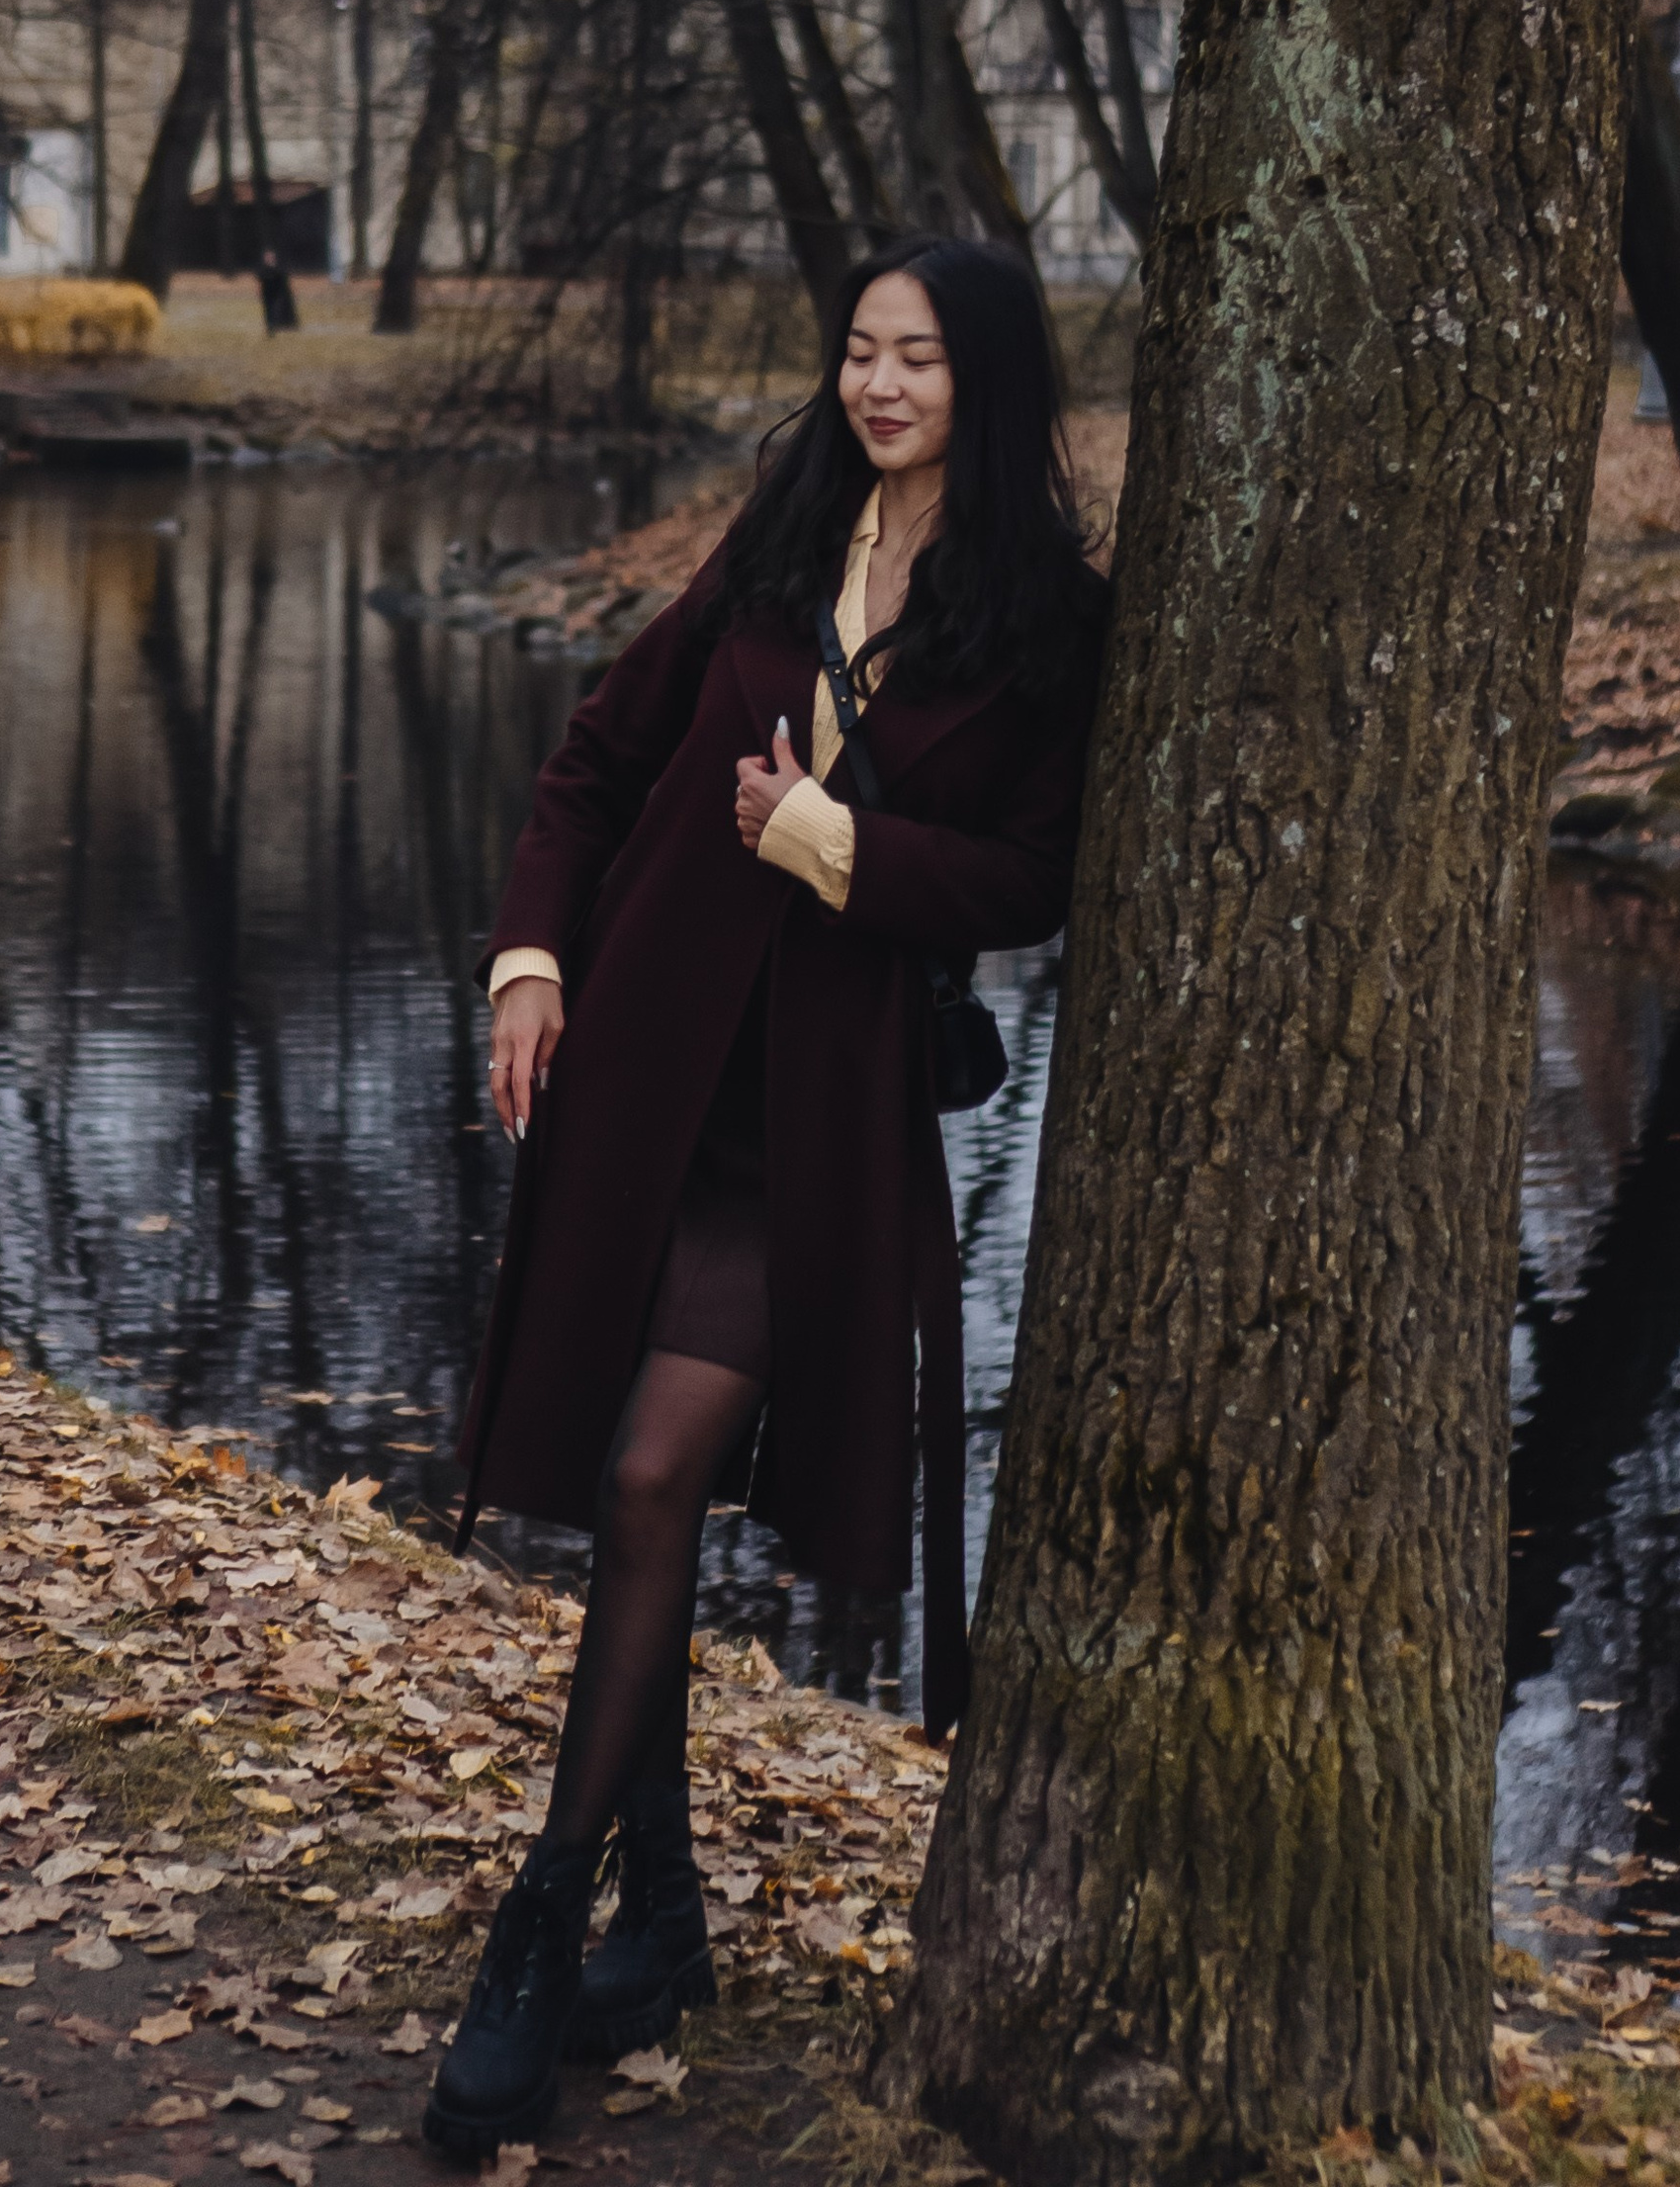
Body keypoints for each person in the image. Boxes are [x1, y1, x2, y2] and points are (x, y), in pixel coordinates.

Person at [421, 235, 1109, 2165]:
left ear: (983, 378)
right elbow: (593, 761)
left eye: (913, 358)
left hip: (808, 1132)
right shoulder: (776, 536)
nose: (875, 386)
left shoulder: (1046, 620)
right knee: (604, 1474)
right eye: (855, 353)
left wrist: (838, 846)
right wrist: (527, 966)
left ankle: (539, 1928)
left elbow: (1024, 880)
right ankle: (666, 1911)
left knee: (651, 1480)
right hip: (640, 1083)